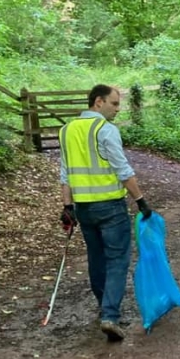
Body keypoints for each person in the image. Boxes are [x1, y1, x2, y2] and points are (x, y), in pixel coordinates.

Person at [58, 84, 153, 342]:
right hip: (110, 207)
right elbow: (122, 169)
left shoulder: (66, 130)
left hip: (83, 209)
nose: (117, 109)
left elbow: (66, 173)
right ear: (98, 102)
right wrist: (141, 201)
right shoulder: (105, 130)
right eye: (113, 104)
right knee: (118, 259)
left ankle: (104, 306)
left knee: (96, 257)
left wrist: (67, 206)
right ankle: (110, 315)